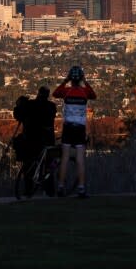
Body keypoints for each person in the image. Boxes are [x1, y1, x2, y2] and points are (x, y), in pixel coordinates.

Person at [53, 65, 96, 198]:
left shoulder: (66, 92)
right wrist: (85, 81)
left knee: (65, 157)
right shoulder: (85, 93)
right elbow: (93, 95)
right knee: (80, 159)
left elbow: (55, 93)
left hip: (68, 127)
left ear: (71, 78)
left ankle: (60, 187)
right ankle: (81, 188)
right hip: (80, 128)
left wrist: (65, 81)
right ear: (81, 78)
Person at [13, 87, 57, 196]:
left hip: (30, 140)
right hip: (47, 141)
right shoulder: (51, 107)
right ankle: (49, 191)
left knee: (29, 166)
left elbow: (18, 115)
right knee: (49, 167)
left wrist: (20, 104)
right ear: (48, 95)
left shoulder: (30, 105)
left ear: (38, 93)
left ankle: (28, 191)